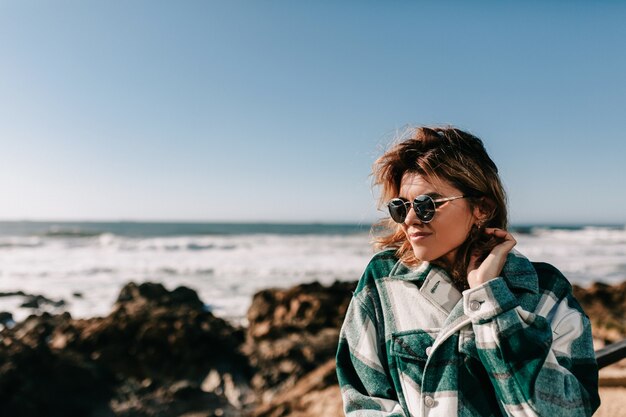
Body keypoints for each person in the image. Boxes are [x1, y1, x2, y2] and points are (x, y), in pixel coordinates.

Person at [336, 127, 600, 416]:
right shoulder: (383, 279)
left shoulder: (546, 290)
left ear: (482, 208)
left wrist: (491, 303)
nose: (410, 219)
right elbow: (365, 401)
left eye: (427, 205)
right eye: (401, 207)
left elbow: (568, 411)